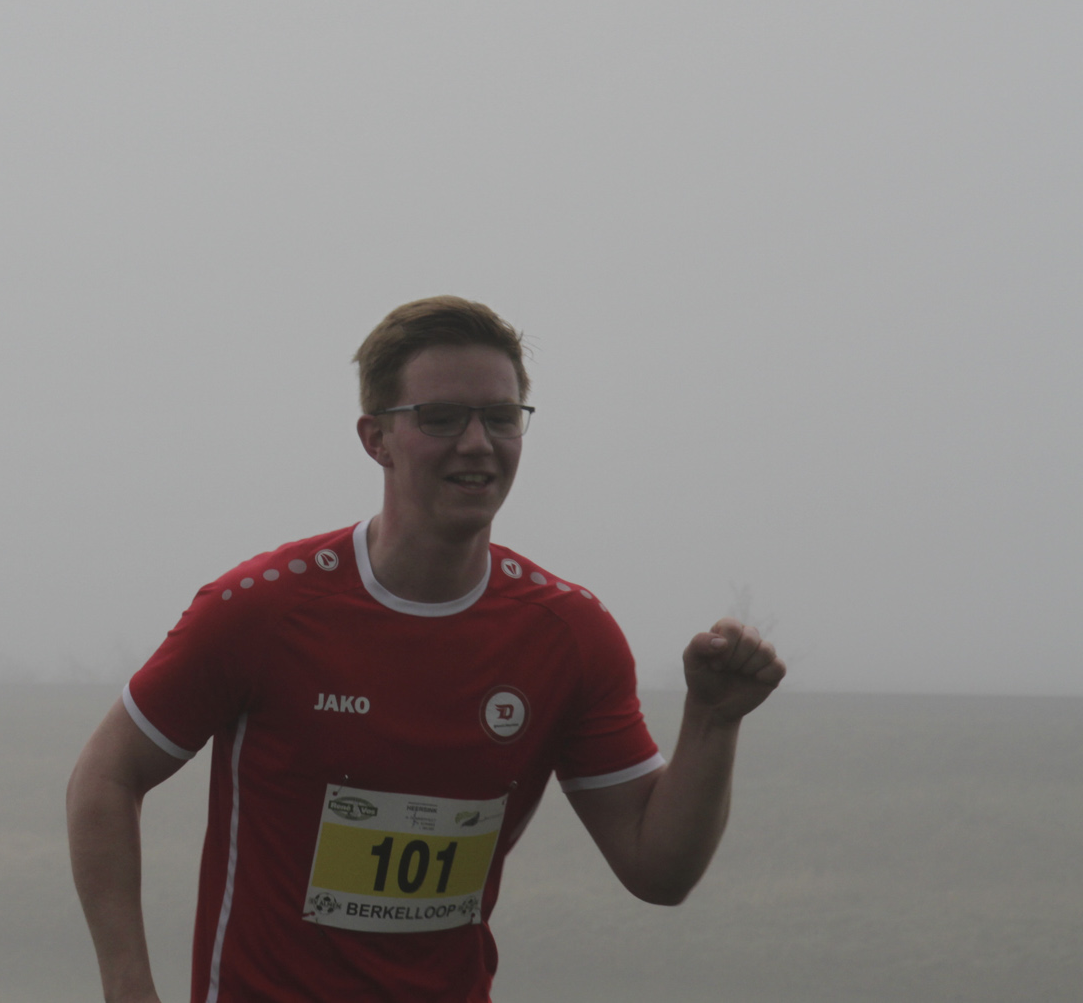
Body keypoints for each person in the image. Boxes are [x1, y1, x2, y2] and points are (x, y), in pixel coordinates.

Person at [66, 296, 784, 1003]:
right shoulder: (263, 609)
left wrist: (712, 722)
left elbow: (659, 871)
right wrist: (129, 989)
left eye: (500, 417)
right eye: (441, 418)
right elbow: (105, 775)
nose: (477, 442)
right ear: (376, 438)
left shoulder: (569, 634)